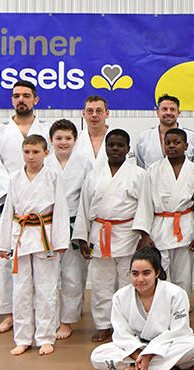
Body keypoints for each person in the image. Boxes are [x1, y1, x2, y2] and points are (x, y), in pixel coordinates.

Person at [0, 134, 69, 356]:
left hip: (45, 236)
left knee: (46, 288)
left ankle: (45, 336)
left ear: (46, 153)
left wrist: (61, 240)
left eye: (36, 152)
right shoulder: (15, 178)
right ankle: (23, 337)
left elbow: (61, 211)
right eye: (27, 152)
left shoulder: (53, 177)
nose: (31, 156)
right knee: (21, 290)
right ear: (22, 153)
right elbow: (8, 213)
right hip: (21, 236)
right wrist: (3, 243)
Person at [0, 79, 50, 335]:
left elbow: (51, 168)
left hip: (39, 208)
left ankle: (38, 314)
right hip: (9, 206)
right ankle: (9, 315)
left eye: (26, 95)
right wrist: (12, 197)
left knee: (39, 264)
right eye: (16, 96)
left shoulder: (47, 130)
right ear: (11, 100)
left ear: (36, 99)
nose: (20, 99)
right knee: (6, 263)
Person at [89, 247, 194, 370]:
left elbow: (179, 331)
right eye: (135, 273)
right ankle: (161, 369)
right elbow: (121, 334)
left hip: (167, 346)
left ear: (157, 273)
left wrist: (148, 355)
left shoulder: (175, 293)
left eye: (146, 273)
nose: (140, 279)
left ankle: (133, 368)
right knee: (97, 356)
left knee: (192, 346)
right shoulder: (120, 296)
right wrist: (140, 355)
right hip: (137, 347)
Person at [71, 129, 146, 343]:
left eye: (120, 145)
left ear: (128, 149)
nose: (115, 149)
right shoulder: (94, 175)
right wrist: (82, 237)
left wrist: (143, 236)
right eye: (111, 145)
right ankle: (104, 324)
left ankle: (129, 325)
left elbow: (144, 207)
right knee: (101, 283)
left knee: (128, 281)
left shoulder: (139, 175)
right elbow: (84, 208)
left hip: (127, 234)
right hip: (99, 233)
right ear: (105, 148)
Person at [132, 128, 194, 298]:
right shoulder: (153, 169)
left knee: (184, 275)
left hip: (184, 227)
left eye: (177, 143)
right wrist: (144, 235)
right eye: (167, 143)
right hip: (159, 228)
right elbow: (145, 203)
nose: (172, 146)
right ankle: (161, 307)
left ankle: (181, 308)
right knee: (160, 272)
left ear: (186, 145)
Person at [44, 120, 93, 341]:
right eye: (59, 138)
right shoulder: (43, 163)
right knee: (49, 275)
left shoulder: (84, 163)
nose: (63, 142)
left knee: (73, 275)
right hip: (49, 225)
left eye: (68, 138)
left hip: (75, 224)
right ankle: (52, 317)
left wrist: (85, 231)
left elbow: (88, 199)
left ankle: (67, 320)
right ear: (51, 141)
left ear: (75, 140)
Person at [135, 94, 194, 168]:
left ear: (178, 113)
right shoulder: (144, 138)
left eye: (172, 109)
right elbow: (140, 169)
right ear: (158, 113)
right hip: (151, 179)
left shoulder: (192, 137)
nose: (168, 113)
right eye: (164, 109)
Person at [76, 95, 116, 168]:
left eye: (99, 111)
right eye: (90, 111)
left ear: (107, 114)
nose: (94, 115)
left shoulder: (120, 140)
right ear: (83, 114)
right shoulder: (75, 140)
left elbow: (129, 169)